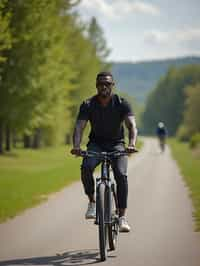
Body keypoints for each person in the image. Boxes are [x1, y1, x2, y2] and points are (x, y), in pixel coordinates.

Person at [71, 71, 138, 232]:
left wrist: (131, 143)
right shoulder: (88, 104)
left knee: (121, 175)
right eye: (101, 83)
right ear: (96, 86)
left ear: (112, 85)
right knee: (86, 167)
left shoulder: (122, 103)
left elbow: (131, 126)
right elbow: (80, 126)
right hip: (96, 145)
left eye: (107, 84)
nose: (104, 86)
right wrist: (77, 146)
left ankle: (122, 217)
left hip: (117, 145)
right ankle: (92, 202)